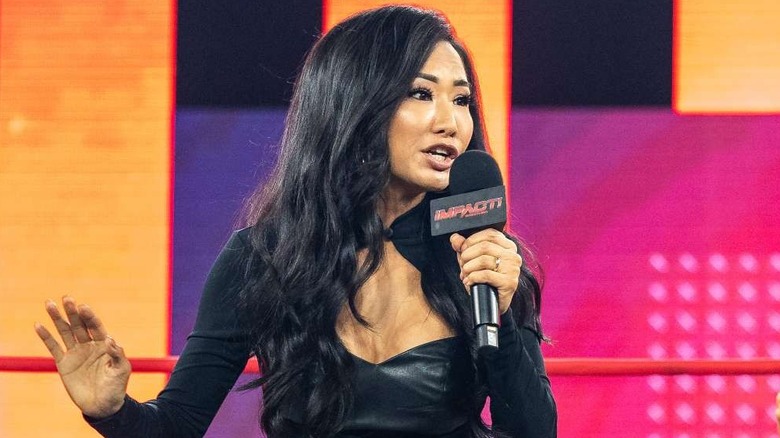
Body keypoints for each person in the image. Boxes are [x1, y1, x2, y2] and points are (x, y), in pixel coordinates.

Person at [34, 5, 557, 437]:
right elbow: (176, 426)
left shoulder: (487, 256)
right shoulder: (264, 257)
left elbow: (535, 431)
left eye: (461, 99)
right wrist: (111, 411)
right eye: (421, 93)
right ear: (356, 104)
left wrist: (503, 317)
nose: (451, 122)